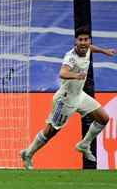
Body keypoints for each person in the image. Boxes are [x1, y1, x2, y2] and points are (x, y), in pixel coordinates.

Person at [20, 26, 116, 169]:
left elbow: (91, 49)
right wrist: (76, 75)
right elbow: (62, 73)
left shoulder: (88, 49)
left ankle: (84, 144)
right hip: (65, 100)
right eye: (80, 40)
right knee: (51, 131)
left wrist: (104, 51)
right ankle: (28, 153)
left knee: (103, 118)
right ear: (75, 41)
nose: (83, 42)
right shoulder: (71, 57)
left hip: (79, 96)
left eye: (86, 39)